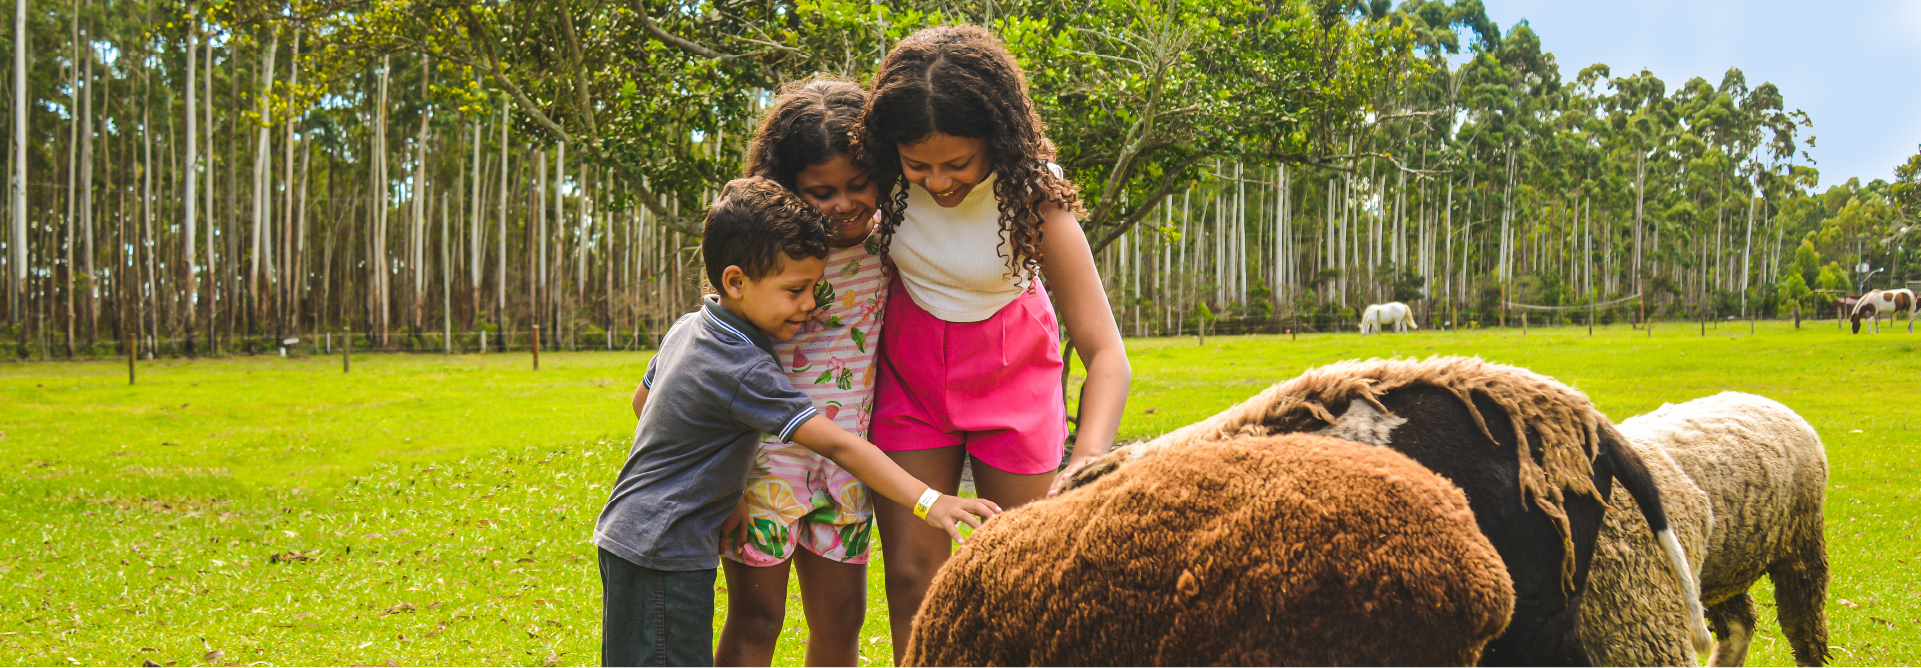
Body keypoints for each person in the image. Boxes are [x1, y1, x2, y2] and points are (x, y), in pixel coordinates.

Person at [594, 177, 999, 668]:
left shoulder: (690, 327)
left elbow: (644, 402)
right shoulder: (744, 367)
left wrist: (726, 491)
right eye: (795, 290)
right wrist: (931, 501)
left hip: (632, 534)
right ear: (736, 281)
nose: (810, 304)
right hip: (667, 545)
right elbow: (840, 446)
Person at [855, 24, 1132, 663]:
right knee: (911, 572)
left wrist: (1087, 456)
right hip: (913, 375)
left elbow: (1105, 352)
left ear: (996, 141)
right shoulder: (884, 184)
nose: (939, 181)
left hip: (1013, 376)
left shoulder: (1033, 198)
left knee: (1024, 569)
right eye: (918, 164)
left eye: (957, 164)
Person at [712, 77, 889, 668]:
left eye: (858, 184)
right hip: (763, 465)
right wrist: (724, 484)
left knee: (842, 620)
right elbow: (713, 373)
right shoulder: (768, 258)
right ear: (787, 190)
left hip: (847, 465)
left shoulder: (892, 243)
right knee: (757, 619)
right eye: (821, 191)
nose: (844, 203)